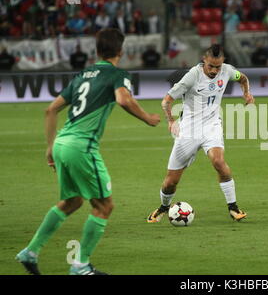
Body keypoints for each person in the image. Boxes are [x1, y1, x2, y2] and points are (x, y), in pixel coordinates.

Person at [15, 28, 161, 275]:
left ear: (96, 51)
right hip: (81, 147)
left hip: (62, 143)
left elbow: (50, 110)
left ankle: (29, 252)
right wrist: (147, 117)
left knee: (72, 201)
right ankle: (80, 265)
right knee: (105, 206)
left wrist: (49, 147)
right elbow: (124, 99)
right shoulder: (117, 74)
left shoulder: (82, 75)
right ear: (121, 51)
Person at [146, 44, 254, 223]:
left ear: (223, 63)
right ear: (204, 60)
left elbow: (242, 78)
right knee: (170, 182)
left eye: (217, 66)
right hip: (188, 130)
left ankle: (233, 207)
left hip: (212, 126)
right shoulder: (192, 77)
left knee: (219, 162)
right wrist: (171, 121)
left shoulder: (227, 71)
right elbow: (166, 101)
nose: (214, 70)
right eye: (211, 66)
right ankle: (164, 207)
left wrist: (247, 94)